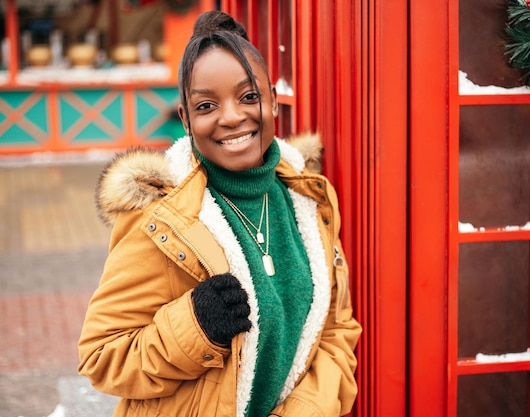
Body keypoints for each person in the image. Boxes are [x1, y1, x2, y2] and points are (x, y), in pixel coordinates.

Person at [77, 10, 361, 417]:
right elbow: (102, 356)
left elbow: (336, 332)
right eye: (207, 105)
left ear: (273, 103)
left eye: (249, 97)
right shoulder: (162, 218)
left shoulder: (308, 201)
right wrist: (195, 328)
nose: (231, 117)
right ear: (186, 120)